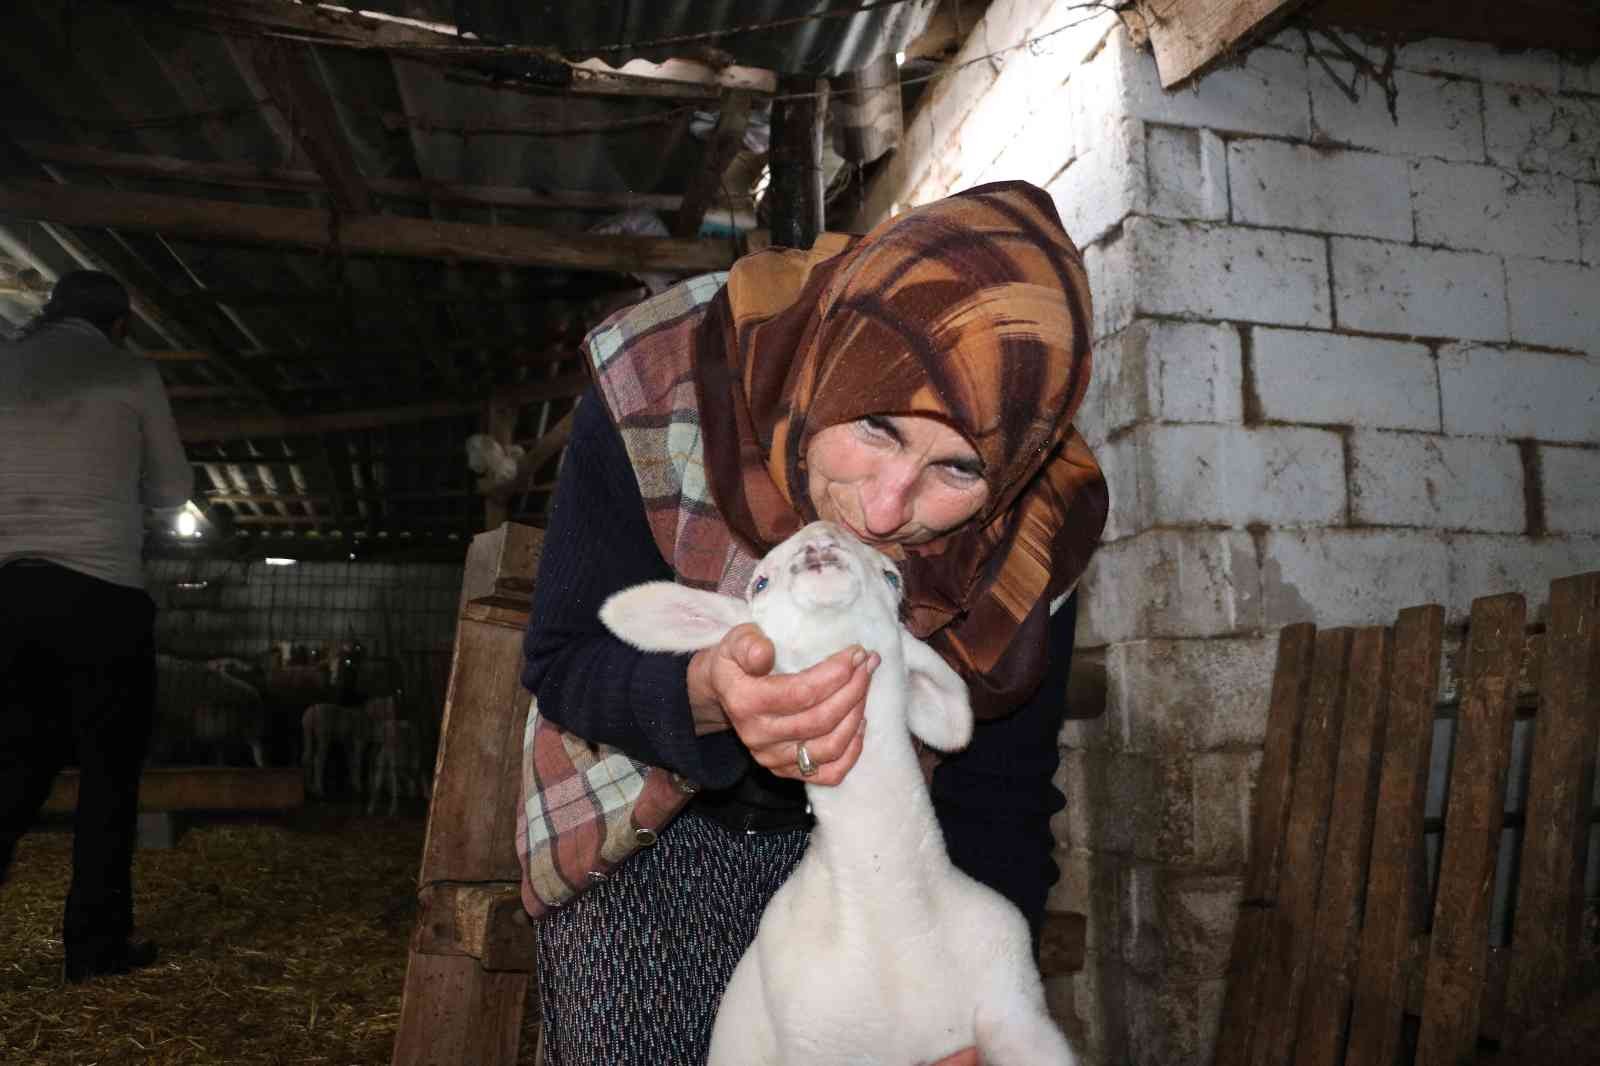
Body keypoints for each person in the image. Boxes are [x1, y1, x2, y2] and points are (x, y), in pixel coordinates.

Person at [521, 181, 1108, 1064]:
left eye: (956, 470)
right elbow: (566, 660)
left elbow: (1003, 793)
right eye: (875, 427)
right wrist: (701, 696)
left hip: (887, 873)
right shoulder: (661, 376)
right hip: (639, 832)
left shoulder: (1037, 523)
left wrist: (976, 1009)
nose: (882, 510)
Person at [0, 270, 191, 983]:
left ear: (52, 313)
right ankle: (94, 945)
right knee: (108, 779)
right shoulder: (131, 373)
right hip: (101, 595)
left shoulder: (5, 363)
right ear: (119, 325)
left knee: (11, 766)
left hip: (6, 592)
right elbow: (174, 489)